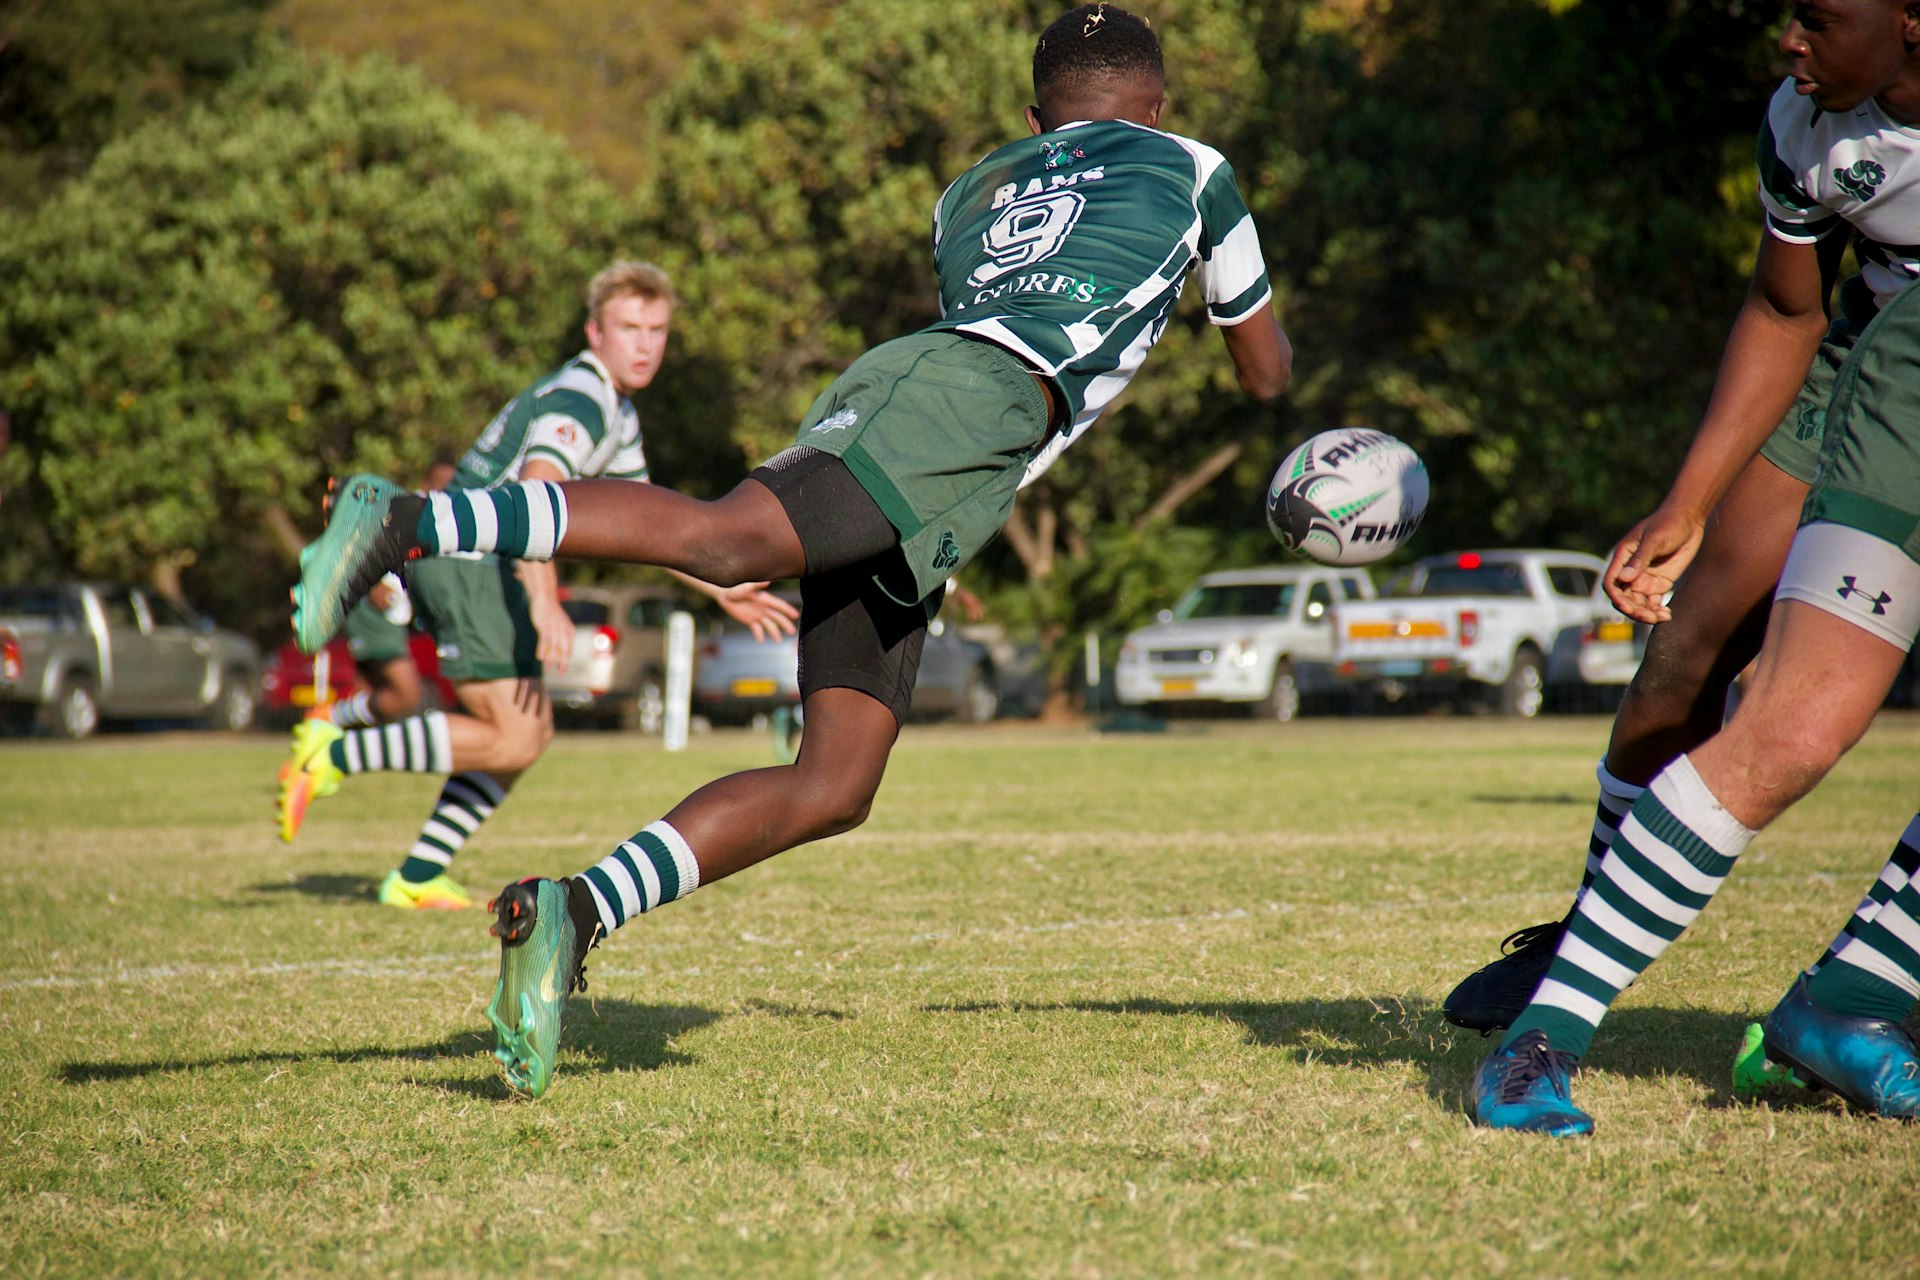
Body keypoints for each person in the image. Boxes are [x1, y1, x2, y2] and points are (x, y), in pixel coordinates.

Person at [287, 2, 1290, 1095]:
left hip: (952, 437)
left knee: (835, 780)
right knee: (728, 542)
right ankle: (411, 520)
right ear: (1159, 103)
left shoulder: (973, 192)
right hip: (965, 409)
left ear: (1035, 116)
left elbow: (987, 308)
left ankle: (573, 912)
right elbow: (1265, 373)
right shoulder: (1195, 168)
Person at [1469, 0, 1920, 1134]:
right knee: (1704, 653)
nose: (1788, 39)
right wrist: (1689, 501)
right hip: (1870, 373)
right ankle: (1573, 970)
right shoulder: (1806, 127)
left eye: (1818, 16)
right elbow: (1785, 305)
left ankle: (1855, 1002)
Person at [275, 261, 798, 913]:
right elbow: (540, 490)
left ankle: (417, 872)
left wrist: (719, 589)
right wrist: (545, 598)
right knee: (511, 734)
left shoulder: (619, 412)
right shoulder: (582, 396)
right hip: (469, 559)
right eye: (629, 327)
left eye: (657, 329)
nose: (644, 343)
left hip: (479, 563)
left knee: (529, 733)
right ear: (594, 332)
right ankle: (337, 751)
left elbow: (642, 523)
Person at [322, 459, 459, 731]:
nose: (449, 491)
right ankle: (328, 718)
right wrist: (372, 582)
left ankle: (335, 741)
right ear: (426, 485)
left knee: (371, 689)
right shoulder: (406, 510)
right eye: (442, 485)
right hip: (375, 610)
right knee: (408, 696)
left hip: (391, 614)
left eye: (453, 486)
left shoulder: (445, 517)